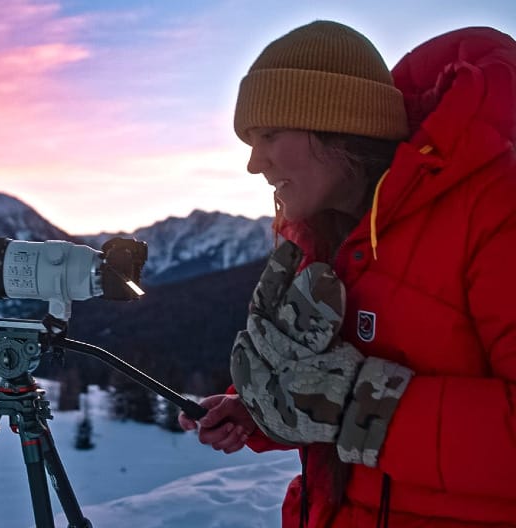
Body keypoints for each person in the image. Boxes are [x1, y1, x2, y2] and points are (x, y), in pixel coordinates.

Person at [179, 20, 516, 528]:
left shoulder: (495, 208)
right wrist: (262, 408)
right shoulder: (331, 236)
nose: (253, 164)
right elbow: (334, 388)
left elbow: (351, 398)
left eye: (269, 134)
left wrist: (360, 405)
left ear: (338, 124)